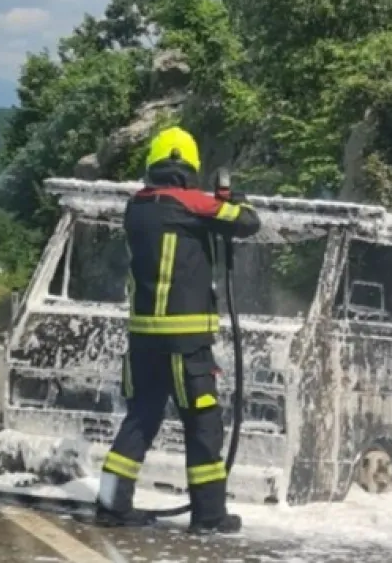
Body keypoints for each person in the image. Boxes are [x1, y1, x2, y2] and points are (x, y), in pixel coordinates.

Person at [96, 126, 261, 533]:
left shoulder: (136, 206)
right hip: (185, 343)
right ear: (188, 168)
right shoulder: (192, 203)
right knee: (203, 423)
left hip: (143, 340)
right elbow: (247, 222)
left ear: (153, 166)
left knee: (141, 417)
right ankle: (209, 516)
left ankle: (112, 504)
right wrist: (233, 200)